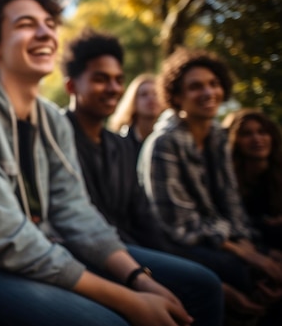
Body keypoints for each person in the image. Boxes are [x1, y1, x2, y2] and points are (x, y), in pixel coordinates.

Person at [0, 0, 196, 326]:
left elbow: (76, 210)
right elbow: (7, 239)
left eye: (50, 24)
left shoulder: (53, 122)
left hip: (50, 249)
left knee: (199, 284)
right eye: (26, 24)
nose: (45, 33)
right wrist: (131, 300)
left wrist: (139, 279)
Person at [61, 28, 223, 326]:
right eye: (100, 79)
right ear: (72, 86)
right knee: (205, 284)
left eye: (118, 79)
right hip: (88, 253)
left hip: (131, 248)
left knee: (207, 274)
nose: (113, 87)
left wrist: (167, 257)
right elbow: (78, 221)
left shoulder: (119, 146)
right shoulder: (56, 136)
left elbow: (143, 215)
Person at [138, 48, 282, 324]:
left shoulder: (217, 136)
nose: (208, 93)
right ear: (177, 96)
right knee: (241, 270)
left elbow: (232, 203)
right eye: (195, 87)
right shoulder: (164, 143)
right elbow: (179, 225)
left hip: (216, 236)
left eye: (213, 84)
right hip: (172, 243)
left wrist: (254, 248)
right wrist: (246, 254)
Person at [224, 109, 282, 251]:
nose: (257, 139)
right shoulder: (225, 178)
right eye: (246, 134)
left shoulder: (278, 171)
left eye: (262, 132)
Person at [108, 72, 161, 155]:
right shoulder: (121, 141)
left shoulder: (169, 138)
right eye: (144, 94)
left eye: (156, 94)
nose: (151, 98)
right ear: (132, 101)